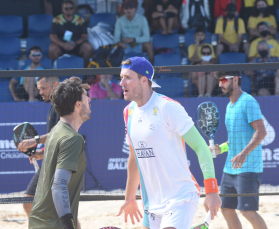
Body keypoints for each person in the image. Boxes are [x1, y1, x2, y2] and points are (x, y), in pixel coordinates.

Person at [116, 57, 221, 228]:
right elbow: (134, 158)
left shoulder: (168, 107)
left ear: (144, 80)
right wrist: (129, 198)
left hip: (180, 197)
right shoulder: (128, 112)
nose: (121, 83)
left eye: (128, 77)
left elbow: (201, 147)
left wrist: (211, 190)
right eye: (121, 77)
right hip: (152, 203)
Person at [28, 77, 90, 229]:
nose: (89, 99)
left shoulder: (57, 131)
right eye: (86, 97)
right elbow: (59, 186)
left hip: (39, 222)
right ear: (78, 105)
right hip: (55, 225)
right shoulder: (72, 139)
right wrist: (69, 226)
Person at [212, 71, 268, 229]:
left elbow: (261, 132)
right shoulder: (229, 106)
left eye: (223, 80)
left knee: (248, 211)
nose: (220, 84)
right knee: (226, 209)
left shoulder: (248, 101)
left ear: (235, 79)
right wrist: (220, 148)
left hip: (248, 167)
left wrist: (244, 154)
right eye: (219, 81)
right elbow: (235, 139)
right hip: (230, 168)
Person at [49, 0, 93, 67]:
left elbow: (84, 36)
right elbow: (52, 36)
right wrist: (63, 44)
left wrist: (75, 43)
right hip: (62, 46)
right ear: (62, 9)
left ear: (74, 9)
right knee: (52, 48)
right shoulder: (57, 19)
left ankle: (86, 72)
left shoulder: (80, 19)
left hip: (77, 45)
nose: (69, 10)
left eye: (71, 8)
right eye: (66, 8)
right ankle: (54, 72)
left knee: (88, 47)